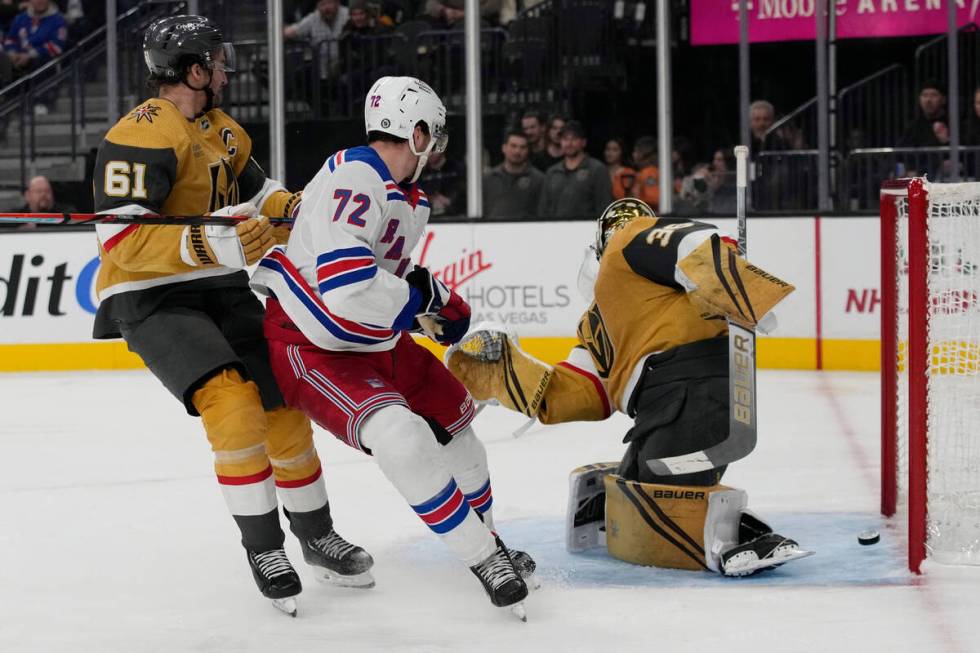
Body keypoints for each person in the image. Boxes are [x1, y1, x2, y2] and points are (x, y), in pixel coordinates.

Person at [91, 15, 373, 616]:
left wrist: (303, 208)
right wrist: (216, 243)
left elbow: (257, 191)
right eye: (215, 60)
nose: (224, 68)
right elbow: (122, 245)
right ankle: (264, 548)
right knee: (234, 407)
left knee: (284, 410)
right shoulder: (141, 134)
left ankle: (316, 535)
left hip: (218, 288)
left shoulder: (220, 128)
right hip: (152, 296)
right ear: (194, 70)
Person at [250, 76, 535, 618]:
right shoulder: (358, 172)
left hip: (369, 341)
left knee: (456, 425)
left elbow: (384, 281)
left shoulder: (410, 197)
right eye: (435, 132)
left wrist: (434, 305)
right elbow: (348, 287)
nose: (438, 145)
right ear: (418, 130)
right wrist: (416, 299)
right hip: (312, 344)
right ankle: (482, 558)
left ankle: (490, 540)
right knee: (400, 436)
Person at [447, 198, 811, 577]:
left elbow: (692, 239)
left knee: (655, 513)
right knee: (628, 496)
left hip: (689, 392)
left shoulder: (626, 242)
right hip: (665, 407)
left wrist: (726, 270)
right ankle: (722, 522)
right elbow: (585, 390)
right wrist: (508, 372)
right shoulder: (600, 320)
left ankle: (736, 541)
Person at [537, 120, 612, 218]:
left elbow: (604, 207)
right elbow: (543, 209)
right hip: (555, 230)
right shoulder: (552, 172)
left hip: (587, 230)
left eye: (574, 139)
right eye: (565, 139)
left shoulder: (597, 169)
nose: (569, 143)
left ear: (583, 142)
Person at [1, 0, 67, 108]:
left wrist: (30, 55)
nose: (39, 1)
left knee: (41, 62)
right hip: (20, 60)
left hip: (44, 62)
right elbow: (10, 39)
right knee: (5, 62)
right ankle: (9, 103)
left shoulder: (58, 20)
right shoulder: (20, 18)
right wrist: (13, 53)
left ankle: (42, 102)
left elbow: (56, 46)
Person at [483, 129, 543, 219]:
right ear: (504, 148)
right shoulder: (488, 179)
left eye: (522, 147)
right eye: (513, 146)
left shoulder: (539, 180)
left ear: (528, 151)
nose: (517, 151)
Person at [284, 0, 350, 80]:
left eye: (329, 3)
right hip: (322, 73)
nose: (326, 8)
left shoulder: (347, 15)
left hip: (347, 70)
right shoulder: (314, 18)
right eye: (322, 4)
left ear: (337, 3)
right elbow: (291, 31)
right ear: (317, 6)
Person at [898, 80, 949, 148]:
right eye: (924, 95)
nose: (928, 100)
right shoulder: (914, 126)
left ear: (943, 100)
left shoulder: (954, 124)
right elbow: (900, 152)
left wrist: (946, 141)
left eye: (934, 95)